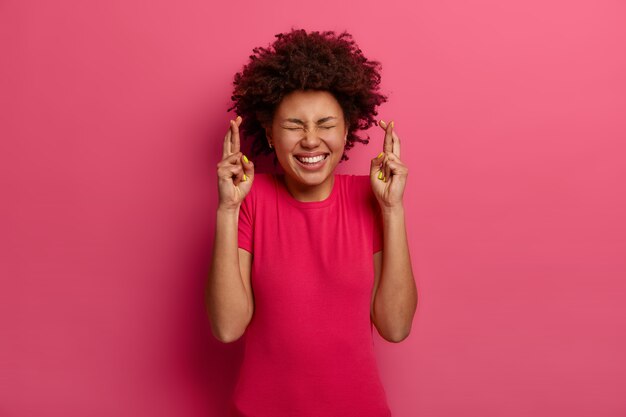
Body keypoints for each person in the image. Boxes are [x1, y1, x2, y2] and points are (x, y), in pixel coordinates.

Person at [206, 28, 417, 417]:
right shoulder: (249, 198)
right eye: (293, 125)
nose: (310, 140)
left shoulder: (372, 196)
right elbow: (227, 328)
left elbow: (395, 327)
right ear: (269, 133)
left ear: (348, 129)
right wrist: (227, 209)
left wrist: (393, 210)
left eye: (325, 124)